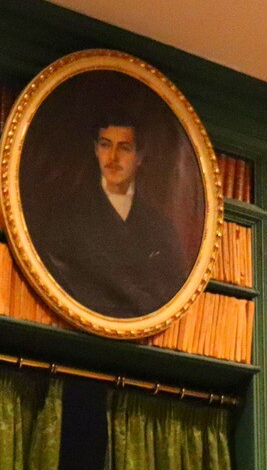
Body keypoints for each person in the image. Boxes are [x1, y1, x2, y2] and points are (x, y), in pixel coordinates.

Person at [27, 112, 194, 320]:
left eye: (124, 148)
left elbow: (170, 288)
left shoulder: (160, 228)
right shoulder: (68, 217)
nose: (113, 157)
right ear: (96, 149)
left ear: (140, 156)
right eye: (106, 145)